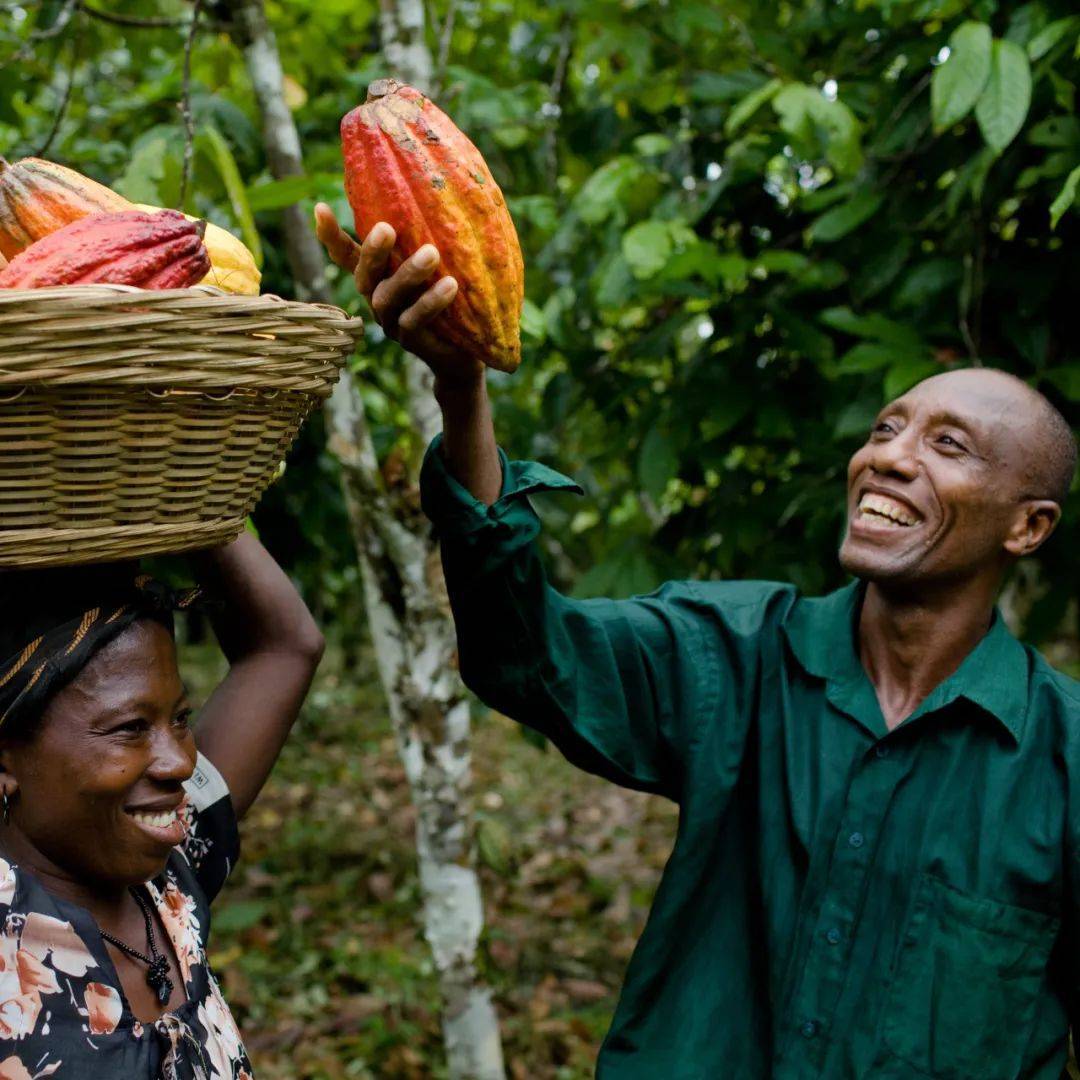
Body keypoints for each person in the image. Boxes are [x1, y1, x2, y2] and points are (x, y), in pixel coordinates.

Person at [317, 204, 1080, 1079]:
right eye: (885, 428)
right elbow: (530, 653)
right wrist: (463, 389)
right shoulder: (739, 654)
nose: (890, 458)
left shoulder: (1064, 760)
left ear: (1028, 526)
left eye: (948, 445)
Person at [0, 532, 325, 1078]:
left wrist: (206, 506)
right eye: (130, 728)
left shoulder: (169, 878)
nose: (179, 762)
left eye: (179, 719)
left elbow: (286, 647)